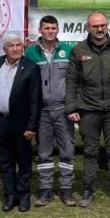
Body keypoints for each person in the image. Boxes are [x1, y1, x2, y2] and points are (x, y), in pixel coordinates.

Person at [66, 12, 110, 206]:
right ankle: (88, 191)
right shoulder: (78, 50)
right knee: (90, 151)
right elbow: (71, 81)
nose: (99, 30)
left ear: (107, 26)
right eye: (95, 26)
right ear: (88, 28)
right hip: (88, 109)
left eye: (102, 26)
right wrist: (71, 107)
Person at [25, 16, 77, 207]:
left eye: (53, 28)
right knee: (44, 152)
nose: (50, 31)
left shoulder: (68, 51)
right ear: (40, 30)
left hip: (62, 109)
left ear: (58, 30)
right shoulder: (31, 53)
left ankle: (66, 190)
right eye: (46, 28)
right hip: (42, 111)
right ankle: (45, 190)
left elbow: (73, 81)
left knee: (67, 150)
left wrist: (72, 106)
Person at [0, 35, 42, 212]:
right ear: (4, 49)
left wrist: (32, 126)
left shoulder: (30, 67)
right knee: (4, 161)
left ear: (23, 47)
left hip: (21, 123)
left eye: (18, 45)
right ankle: (10, 195)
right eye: (11, 46)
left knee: (23, 161)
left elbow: (36, 99)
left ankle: (23, 196)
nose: (15, 49)